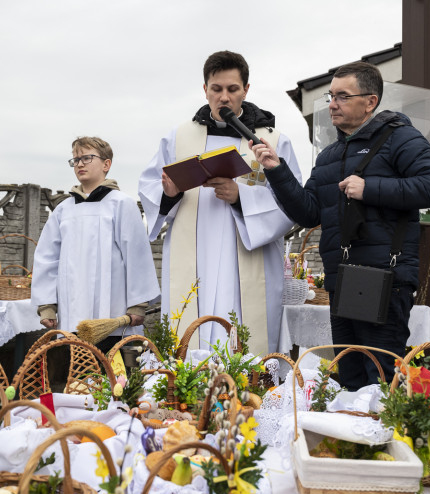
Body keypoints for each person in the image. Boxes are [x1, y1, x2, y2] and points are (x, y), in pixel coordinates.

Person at [251, 61, 430, 389]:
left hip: (386, 280)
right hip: (343, 280)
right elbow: (308, 213)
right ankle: (351, 440)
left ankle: (383, 441)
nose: (332, 104)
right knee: (349, 378)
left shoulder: (398, 137)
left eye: (342, 97)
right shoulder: (329, 155)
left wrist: (370, 188)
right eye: (331, 97)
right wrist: (277, 169)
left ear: (370, 102)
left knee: (380, 380)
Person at [138, 50, 301, 355]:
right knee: (190, 342)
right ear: (205, 90)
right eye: (216, 89)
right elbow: (150, 187)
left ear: (246, 90)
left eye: (232, 89)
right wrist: (169, 193)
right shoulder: (178, 138)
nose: (224, 97)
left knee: (243, 343)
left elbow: (292, 203)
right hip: (194, 258)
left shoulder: (271, 140)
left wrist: (241, 197)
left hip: (247, 255)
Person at [31, 136, 160, 352]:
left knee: (115, 377)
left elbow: (137, 255)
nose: (80, 164)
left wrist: (138, 304)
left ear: (106, 164)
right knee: (78, 373)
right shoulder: (64, 210)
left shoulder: (121, 204)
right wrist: (47, 306)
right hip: (72, 309)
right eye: (75, 160)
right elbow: (47, 258)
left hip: (113, 312)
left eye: (87, 158)